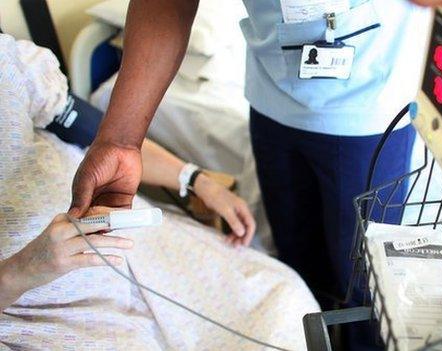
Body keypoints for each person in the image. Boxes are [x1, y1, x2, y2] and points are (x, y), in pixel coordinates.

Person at [69, 0, 442, 349]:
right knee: (300, 261)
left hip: (366, 107)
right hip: (271, 95)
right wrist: (120, 136)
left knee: (363, 280)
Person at [0, 33, 317, 350]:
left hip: (143, 253)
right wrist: (24, 270)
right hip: (43, 312)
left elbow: (106, 143)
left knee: (282, 301)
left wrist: (195, 179)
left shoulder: (9, 63)